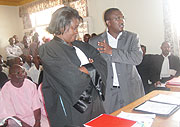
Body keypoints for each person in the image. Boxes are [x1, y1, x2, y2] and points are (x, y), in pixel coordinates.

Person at [38, 6, 107, 126]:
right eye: (74, 28)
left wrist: (86, 69)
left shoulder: (80, 45)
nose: (77, 32)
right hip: (73, 108)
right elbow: (72, 79)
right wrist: (91, 67)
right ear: (61, 27)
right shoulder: (49, 50)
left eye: (77, 28)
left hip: (96, 105)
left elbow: (102, 64)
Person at [89, 8, 145, 114]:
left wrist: (111, 51)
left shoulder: (132, 38)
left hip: (130, 90)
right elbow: (93, 68)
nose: (122, 21)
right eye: (117, 18)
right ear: (108, 22)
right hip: (108, 93)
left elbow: (137, 58)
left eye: (122, 18)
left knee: (132, 120)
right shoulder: (95, 42)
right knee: (110, 122)